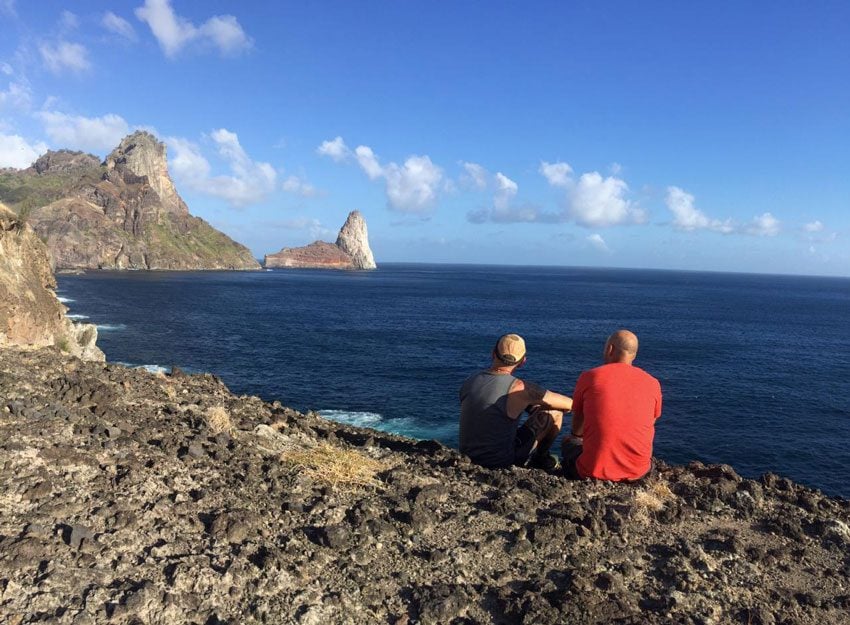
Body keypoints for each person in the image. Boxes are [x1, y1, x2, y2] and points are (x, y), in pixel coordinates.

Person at [460, 333, 573, 470]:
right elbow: (569, 404)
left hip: (466, 457)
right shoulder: (520, 388)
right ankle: (540, 458)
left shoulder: (470, 380)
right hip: (501, 462)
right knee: (554, 413)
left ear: (493, 353)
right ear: (523, 361)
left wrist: (530, 406)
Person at [562, 329, 662, 481]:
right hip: (639, 473)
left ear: (609, 349)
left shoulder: (590, 376)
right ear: (634, 355)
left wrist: (576, 437)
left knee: (569, 444)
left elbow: (579, 419)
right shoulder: (653, 383)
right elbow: (652, 421)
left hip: (591, 472)